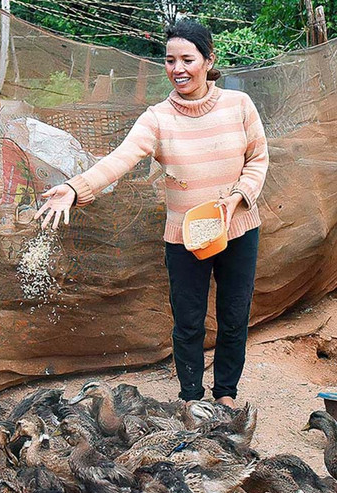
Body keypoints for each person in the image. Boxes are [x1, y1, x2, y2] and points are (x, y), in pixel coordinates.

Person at [36, 20, 268, 408]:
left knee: (233, 317)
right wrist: (77, 187)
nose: (178, 68)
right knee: (189, 321)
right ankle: (192, 399)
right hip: (185, 236)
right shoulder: (158, 118)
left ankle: (226, 394)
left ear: (209, 60)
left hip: (239, 228)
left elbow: (258, 159)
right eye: (170, 60)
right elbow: (120, 159)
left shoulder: (238, 106)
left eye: (188, 59)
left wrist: (237, 198)